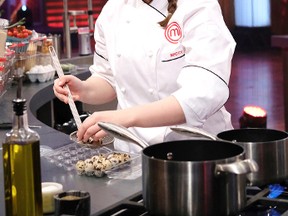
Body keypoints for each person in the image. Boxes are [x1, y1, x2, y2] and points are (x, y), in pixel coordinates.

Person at [53, 0, 236, 152]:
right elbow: (108, 77)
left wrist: (124, 118)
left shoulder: (197, 6)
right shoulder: (113, 10)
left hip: (195, 150)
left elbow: (203, 94)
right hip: (132, 151)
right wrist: (84, 89)